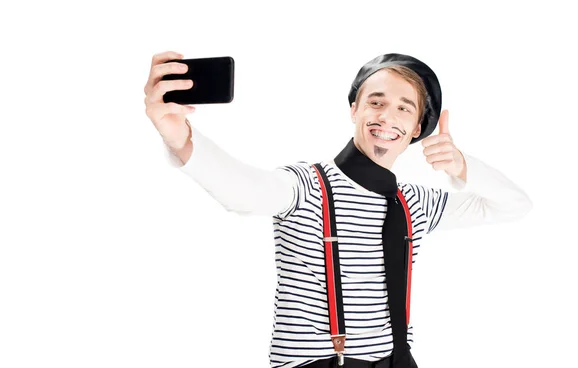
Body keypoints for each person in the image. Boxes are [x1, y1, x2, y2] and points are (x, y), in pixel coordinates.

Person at [144, 51, 533, 368]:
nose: (386, 117)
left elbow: (515, 205)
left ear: (417, 128)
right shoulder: (307, 186)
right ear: (354, 110)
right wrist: (180, 138)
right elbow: (244, 192)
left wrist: (463, 166)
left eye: (403, 108)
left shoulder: (415, 202)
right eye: (375, 102)